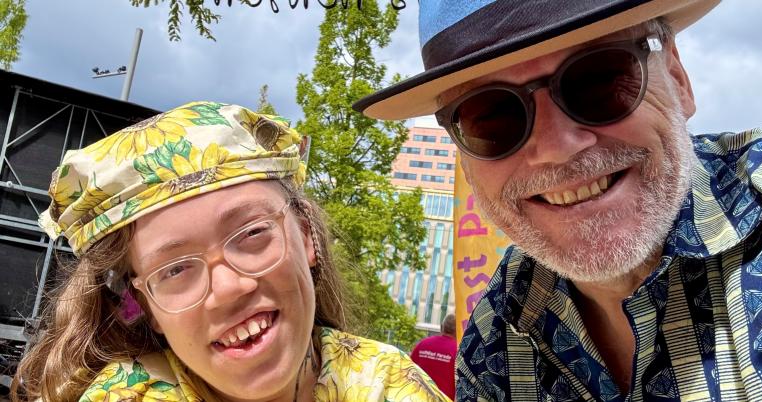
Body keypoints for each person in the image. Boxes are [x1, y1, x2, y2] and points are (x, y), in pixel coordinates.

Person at [353, 1, 762, 401]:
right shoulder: (494, 344)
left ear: (676, 75)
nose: (557, 146)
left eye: (598, 78)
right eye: (492, 115)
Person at [13, 101, 450, 402]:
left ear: (305, 237)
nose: (229, 289)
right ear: (142, 304)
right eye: (176, 269)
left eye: (251, 234)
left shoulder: (386, 382)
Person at [410, 314, 457, 400]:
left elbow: (408, 369)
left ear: (441, 327)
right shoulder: (458, 351)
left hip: (418, 397)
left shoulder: (423, 344)